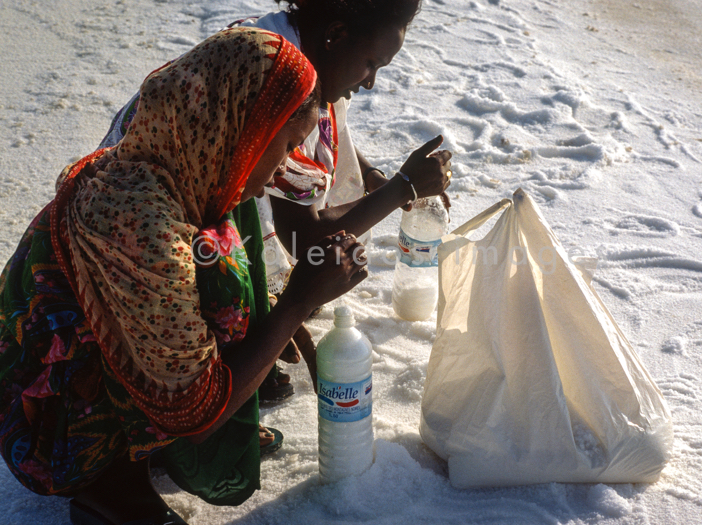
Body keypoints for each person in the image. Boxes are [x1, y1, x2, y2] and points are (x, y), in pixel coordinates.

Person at [0, 28, 369, 525]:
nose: (283, 166)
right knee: (203, 379)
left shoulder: (176, 150)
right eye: (283, 146)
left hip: (90, 351)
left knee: (232, 238)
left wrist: (272, 319)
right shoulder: (141, 226)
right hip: (45, 427)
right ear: (243, 127)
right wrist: (297, 303)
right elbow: (193, 414)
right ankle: (110, 485)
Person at [99, 0, 454, 403]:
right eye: (372, 63)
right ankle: (233, 352)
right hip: (141, 246)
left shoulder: (277, 42)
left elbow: (317, 132)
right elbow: (305, 241)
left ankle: (246, 332)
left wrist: (371, 174)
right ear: (335, 35)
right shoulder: (282, 87)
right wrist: (294, 306)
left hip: (142, 194)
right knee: (251, 263)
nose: (371, 82)